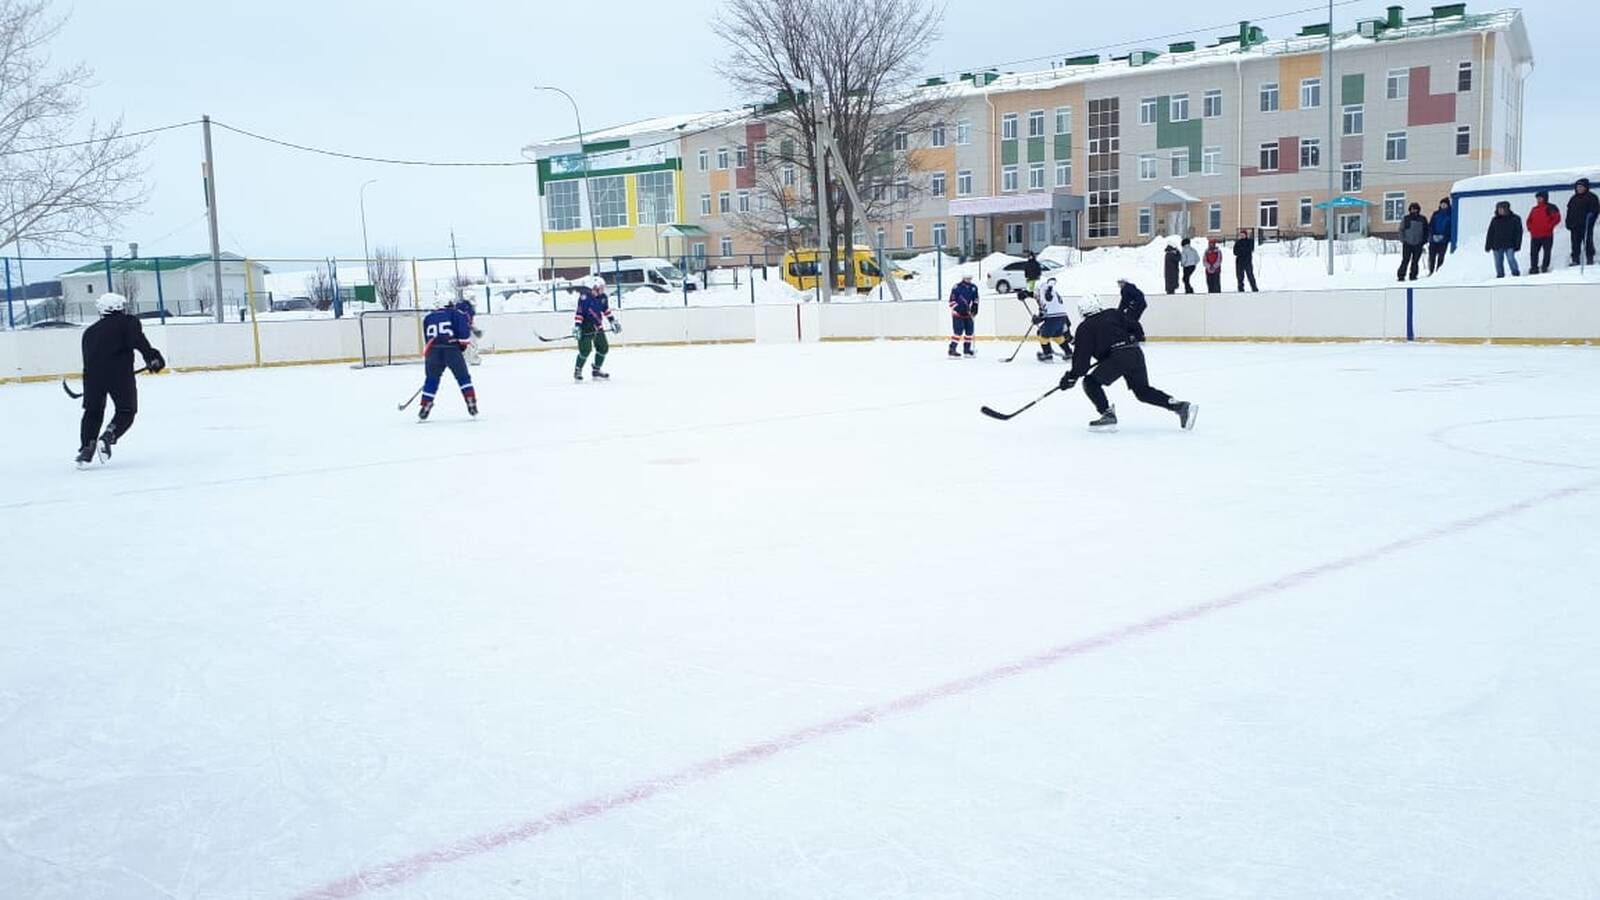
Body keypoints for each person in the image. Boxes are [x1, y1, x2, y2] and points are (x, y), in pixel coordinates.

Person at [1058, 293, 1196, 433]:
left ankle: (1107, 414)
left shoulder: (1085, 327)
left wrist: (1071, 377)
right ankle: (1179, 406)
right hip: (1135, 353)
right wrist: (1132, 338)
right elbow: (1136, 327)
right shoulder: (1114, 314)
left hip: (1118, 358)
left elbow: (1081, 364)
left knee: (1090, 382)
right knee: (1143, 391)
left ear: (1082, 311)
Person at [75, 292, 165, 466]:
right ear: (121, 307)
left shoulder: (89, 332)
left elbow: (89, 361)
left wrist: (90, 386)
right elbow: (138, 341)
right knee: (126, 411)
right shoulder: (128, 322)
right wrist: (153, 358)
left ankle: (87, 448)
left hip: (92, 378)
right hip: (119, 375)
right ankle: (109, 435)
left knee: (92, 412)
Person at [418, 292, 477, 420]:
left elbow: (428, 339)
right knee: (463, 378)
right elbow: (464, 336)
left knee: (431, 379)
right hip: (451, 349)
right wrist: (461, 347)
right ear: (449, 303)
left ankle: (426, 405)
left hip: (433, 352)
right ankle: (470, 401)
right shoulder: (456, 314)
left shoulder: (428, 318)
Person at [573, 276, 621, 380]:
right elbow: (579, 314)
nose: (603, 289)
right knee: (585, 350)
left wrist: (612, 321)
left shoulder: (603, 297)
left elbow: (606, 310)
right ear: (594, 287)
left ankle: (596, 370)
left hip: (597, 326)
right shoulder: (584, 298)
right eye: (601, 287)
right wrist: (577, 327)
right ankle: (578, 370)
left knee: (603, 348)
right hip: (585, 327)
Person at [1032, 277, 1072, 361]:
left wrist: (1038, 318)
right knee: (1057, 336)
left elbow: (1047, 308)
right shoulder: (1053, 293)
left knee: (1041, 334)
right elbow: (1048, 309)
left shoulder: (1044, 291)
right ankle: (1069, 353)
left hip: (1053, 318)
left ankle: (1047, 355)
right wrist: (1039, 318)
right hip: (1062, 318)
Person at [1485, 200, 1523, 278]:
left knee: (1511, 259)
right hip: (1497, 245)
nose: (1500, 210)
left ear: (1507, 209)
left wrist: (1517, 244)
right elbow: (1490, 233)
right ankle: (1500, 276)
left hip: (1510, 244)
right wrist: (1488, 245)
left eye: (1502, 208)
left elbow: (1519, 232)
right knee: (1498, 262)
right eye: (1499, 208)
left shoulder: (1515, 218)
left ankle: (1515, 273)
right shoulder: (1495, 220)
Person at [1527, 190, 1562, 274]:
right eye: (1537, 198)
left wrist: (1549, 226)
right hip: (1535, 235)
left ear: (1545, 198)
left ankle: (1545, 266)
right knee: (1533, 253)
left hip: (1547, 235)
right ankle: (1534, 268)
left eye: (1540, 198)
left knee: (1547, 252)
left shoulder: (1551, 207)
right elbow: (1529, 220)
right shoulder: (1534, 209)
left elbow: (1557, 218)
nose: (1538, 199)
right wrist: (1530, 228)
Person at [1566, 177, 1599, 266]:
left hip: (1586, 225)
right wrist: (1568, 222)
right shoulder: (1573, 199)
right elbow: (1569, 211)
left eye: (1581, 187)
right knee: (1575, 244)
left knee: (1588, 242)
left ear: (1586, 187)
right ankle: (1575, 260)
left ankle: (1590, 258)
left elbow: (1595, 210)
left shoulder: (1592, 197)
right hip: (1574, 226)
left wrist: (1591, 218)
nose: (1579, 188)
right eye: (1578, 187)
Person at [948, 274, 979, 358]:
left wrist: (975, 307)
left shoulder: (974, 287)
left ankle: (967, 350)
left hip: (967, 313)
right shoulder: (956, 287)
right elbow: (951, 302)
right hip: (957, 313)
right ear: (963, 278)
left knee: (969, 331)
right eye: (967, 278)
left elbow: (976, 299)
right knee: (958, 331)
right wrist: (959, 309)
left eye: (970, 278)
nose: (969, 280)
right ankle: (952, 350)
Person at [1397, 202, 1429, 281]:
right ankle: (1401, 275)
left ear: (1418, 209)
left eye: (1415, 209)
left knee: (1415, 261)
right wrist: (1403, 239)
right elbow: (1401, 229)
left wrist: (1424, 240)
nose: (1414, 210)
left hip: (1418, 243)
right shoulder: (1406, 218)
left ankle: (1413, 275)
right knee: (1405, 260)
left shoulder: (1423, 219)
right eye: (1412, 209)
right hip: (1407, 243)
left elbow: (1426, 230)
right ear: (1409, 210)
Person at [1115, 278, 1148, 343]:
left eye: (1121, 282)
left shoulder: (1127, 288)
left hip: (1137, 306)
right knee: (1131, 320)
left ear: (1124, 282)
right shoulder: (1127, 288)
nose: (1119, 284)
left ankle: (1138, 336)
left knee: (1131, 320)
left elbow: (1125, 301)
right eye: (1118, 282)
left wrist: (1133, 304)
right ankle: (1138, 335)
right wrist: (1120, 310)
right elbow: (1124, 301)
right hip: (1137, 306)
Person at [454, 294, 483, 364]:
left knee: (471, 344)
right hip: (463, 329)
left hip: (465, 328)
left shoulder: (469, 308)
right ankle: (471, 359)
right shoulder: (463, 308)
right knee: (468, 344)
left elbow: (469, 320)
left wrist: (473, 327)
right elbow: (463, 319)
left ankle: (469, 358)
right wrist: (471, 327)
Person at [1427, 197, 1453, 274]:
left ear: (1448, 205)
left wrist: (1445, 236)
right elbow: (1431, 225)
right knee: (1432, 256)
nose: (1443, 205)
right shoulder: (1436, 214)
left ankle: (1439, 272)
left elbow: (1451, 227)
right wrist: (1432, 235)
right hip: (1433, 239)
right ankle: (1431, 271)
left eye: (1445, 204)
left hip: (1444, 240)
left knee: (1441, 257)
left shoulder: (1450, 215)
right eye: (1442, 204)